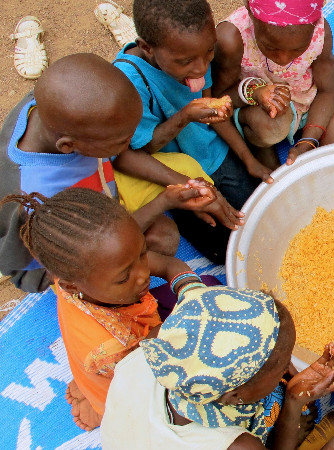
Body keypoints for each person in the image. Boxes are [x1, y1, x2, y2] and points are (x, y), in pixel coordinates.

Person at [0, 53, 241, 292]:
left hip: (102, 187)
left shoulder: (59, 110)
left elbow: (121, 155)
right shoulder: (36, 195)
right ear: (68, 146)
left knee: (185, 170)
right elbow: (89, 249)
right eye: (122, 139)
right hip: (70, 252)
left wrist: (188, 188)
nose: (131, 144)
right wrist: (163, 201)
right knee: (161, 238)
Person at [0, 188, 211, 431]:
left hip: (121, 342)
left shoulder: (82, 275)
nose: (144, 275)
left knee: (205, 290)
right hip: (128, 381)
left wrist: (193, 291)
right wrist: (190, 316)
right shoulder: (109, 349)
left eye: (142, 253)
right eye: (124, 278)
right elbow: (151, 376)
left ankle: (87, 381)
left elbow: (167, 264)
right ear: (71, 284)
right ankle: (98, 402)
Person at [101, 285, 334, 449]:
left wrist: (293, 401)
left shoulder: (156, 348)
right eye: (281, 369)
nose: (289, 368)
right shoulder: (237, 446)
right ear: (234, 396)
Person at [116, 0, 262, 262]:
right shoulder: (129, 82)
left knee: (258, 216)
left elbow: (213, 115)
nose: (201, 68)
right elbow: (144, 148)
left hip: (210, 153)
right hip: (172, 173)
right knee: (223, 250)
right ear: (147, 48)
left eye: (208, 52)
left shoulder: (195, 52)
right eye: (186, 61)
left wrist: (247, 158)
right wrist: (184, 116)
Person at [213, 0, 334, 178]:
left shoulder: (320, 32)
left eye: (298, 49)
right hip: (258, 110)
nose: (283, 59)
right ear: (251, 13)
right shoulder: (232, 38)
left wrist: (309, 140)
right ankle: (260, 145)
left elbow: (327, 91)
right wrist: (255, 92)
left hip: (307, 102)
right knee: (271, 131)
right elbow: (218, 100)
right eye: (270, 47)